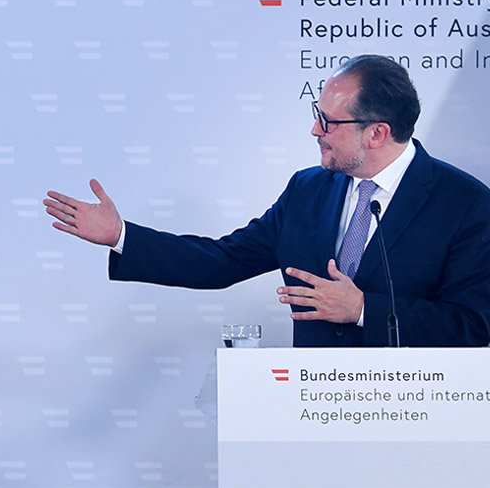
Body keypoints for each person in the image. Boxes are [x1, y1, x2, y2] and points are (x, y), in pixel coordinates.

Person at [44, 54, 490, 347]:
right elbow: (222, 261)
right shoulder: (308, 190)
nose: (315, 130)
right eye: (316, 115)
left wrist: (362, 310)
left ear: (376, 133)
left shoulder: (464, 205)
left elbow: (473, 326)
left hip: (410, 418)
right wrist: (121, 236)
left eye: (328, 121)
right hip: (312, 412)